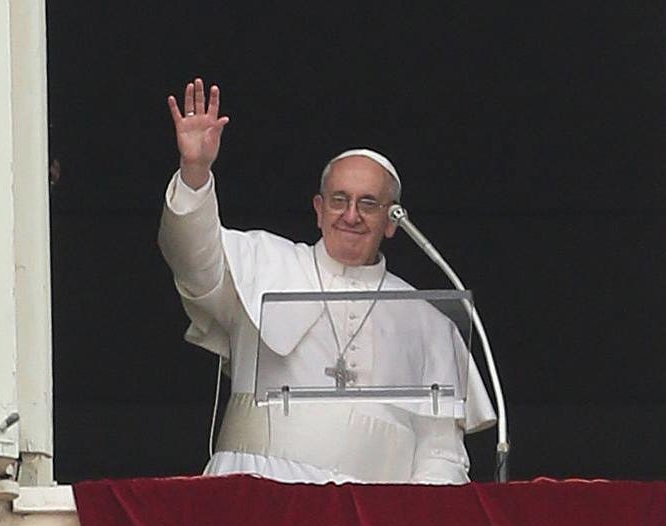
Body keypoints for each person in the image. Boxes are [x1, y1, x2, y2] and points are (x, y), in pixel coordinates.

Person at [158, 78, 494, 484]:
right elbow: (193, 260)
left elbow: (441, 453)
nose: (351, 215)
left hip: (371, 522)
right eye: (339, 200)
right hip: (254, 494)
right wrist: (195, 172)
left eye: (368, 203)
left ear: (392, 221)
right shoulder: (263, 261)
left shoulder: (429, 322)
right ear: (318, 209)